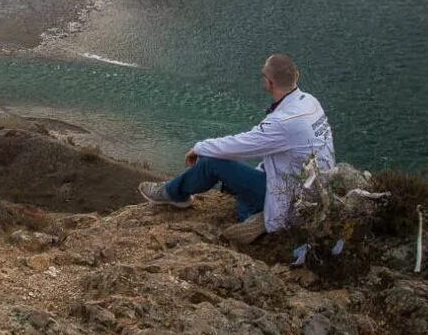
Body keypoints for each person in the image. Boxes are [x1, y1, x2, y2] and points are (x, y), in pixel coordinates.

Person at [138, 53, 334, 243]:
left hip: (292, 200)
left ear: (269, 82)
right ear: (296, 75)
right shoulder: (310, 102)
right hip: (313, 190)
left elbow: (240, 145)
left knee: (214, 162)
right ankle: (252, 210)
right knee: (244, 176)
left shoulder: (284, 121)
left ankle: (173, 194)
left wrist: (200, 147)